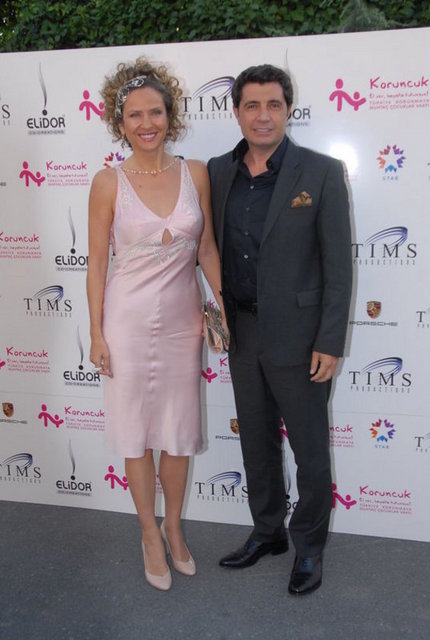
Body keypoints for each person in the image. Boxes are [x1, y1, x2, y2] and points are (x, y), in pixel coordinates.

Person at [208, 64, 352, 595]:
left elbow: (339, 266)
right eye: (252, 105)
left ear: (289, 109)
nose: (263, 115)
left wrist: (330, 341)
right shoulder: (217, 172)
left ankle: (308, 546)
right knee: (257, 444)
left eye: (273, 104)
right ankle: (267, 531)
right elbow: (206, 249)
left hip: (301, 338)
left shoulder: (321, 171)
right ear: (237, 112)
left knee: (310, 450)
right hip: (243, 334)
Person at [87, 57, 225, 591]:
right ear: (119, 122)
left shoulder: (195, 174)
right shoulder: (107, 183)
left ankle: (174, 526)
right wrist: (97, 333)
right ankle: (149, 532)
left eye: (156, 112)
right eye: (135, 115)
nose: (147, 123)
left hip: (182, 324)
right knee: (135, 436)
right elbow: (97, 265)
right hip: (126, 324)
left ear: (171, 115)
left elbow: (206, 248)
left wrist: (222, 308)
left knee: (177, 435)